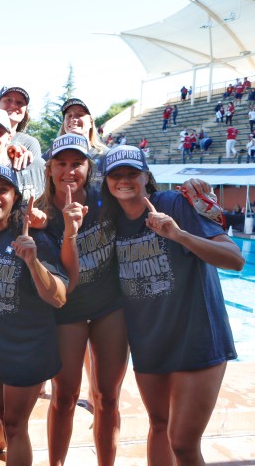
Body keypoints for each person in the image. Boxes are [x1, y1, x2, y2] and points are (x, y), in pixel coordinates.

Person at [100, 145, 244, 464]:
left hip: (197, 338)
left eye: (132, 173)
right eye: (116, 175)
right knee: (159, 427)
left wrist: (179, 236)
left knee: (182, 442)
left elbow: (235, 259)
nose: (124, 180)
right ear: (107, 182)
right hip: (151, 344)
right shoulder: (109, 223)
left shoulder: (174, 204)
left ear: (146, 177)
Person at [0, 163, 68, 465]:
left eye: (3, 190)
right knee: (8, 422)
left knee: (14, 425)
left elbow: (59, 298)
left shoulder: (32, 238)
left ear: (15, 197)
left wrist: (33, 261)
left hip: (28, 348)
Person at [38, 134, 128, 466]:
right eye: (61, 163)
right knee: (65, 396)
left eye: (77, 163)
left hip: (108, 305)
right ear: (49, 169)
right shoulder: (41, 213)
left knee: (106, 396)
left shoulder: (106, 197)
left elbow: (144, 192)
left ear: (89, 168)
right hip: (69, 309)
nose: (69, 171)